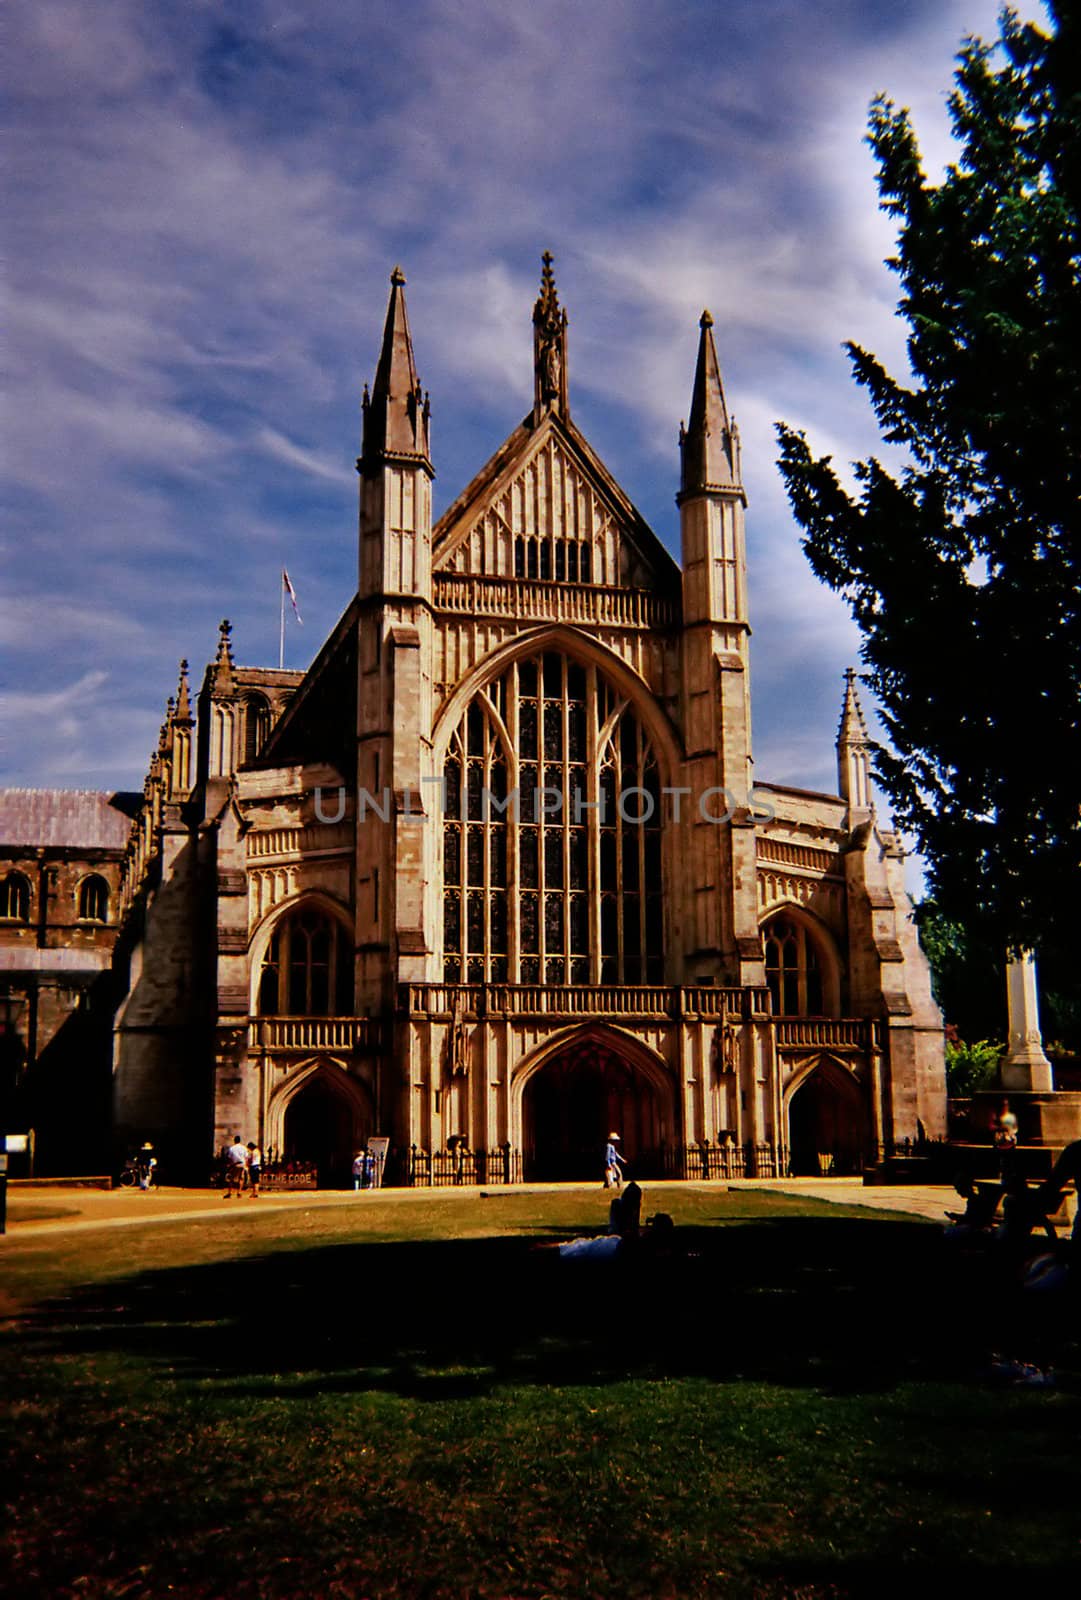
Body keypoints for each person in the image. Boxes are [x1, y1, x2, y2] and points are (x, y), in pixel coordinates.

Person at [223, 1134, 248, 1199]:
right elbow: (246, 1157)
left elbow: (229, 1157)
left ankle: (230, 1192)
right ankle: (239, 1192)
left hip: (234, 1164)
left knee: (231, 1179)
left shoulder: (232, 1148)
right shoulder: (244, 1148)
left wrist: (229, 1165)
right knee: (241, 1178)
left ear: (235, 1140)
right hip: (242, 1164)